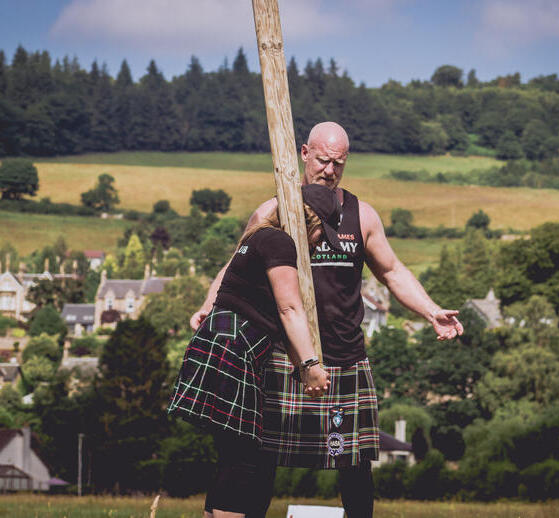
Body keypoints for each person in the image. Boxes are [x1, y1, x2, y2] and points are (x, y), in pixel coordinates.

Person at [190, 122, 464, 518]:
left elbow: (392, 271)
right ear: (304, 154)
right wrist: (207, 305)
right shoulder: (274, 211)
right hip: (283, 355)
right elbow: (236, 265)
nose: (330, 170)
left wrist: (430, 310)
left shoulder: (361, 215)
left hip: (345, 356)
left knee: (354, 464)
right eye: (322, 160)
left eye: (339, 163)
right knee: (260, 457)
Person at [169, 186, 338, 518]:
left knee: (233, 453)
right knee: (245, 457)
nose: (319, 244)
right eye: (321, 233)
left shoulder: (258, 236)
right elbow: (289, 309)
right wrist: (311, 364)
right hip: (236, 347)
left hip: (222, 342)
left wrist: (301, 366)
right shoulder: (279, 242)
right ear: (307, 221)